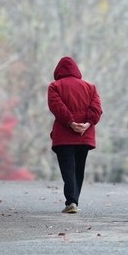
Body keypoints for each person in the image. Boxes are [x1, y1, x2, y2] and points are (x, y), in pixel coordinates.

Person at [47, 56, 102, 213]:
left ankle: (71, 201)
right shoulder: (90, 87)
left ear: (57, 71)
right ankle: (74, 202)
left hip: (64, 135)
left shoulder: (55, 86)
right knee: (79, 168)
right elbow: (96, 108)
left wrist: (70, 123)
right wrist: (87, 124)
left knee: (68, 169)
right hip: (84, 135)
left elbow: (57, 107)